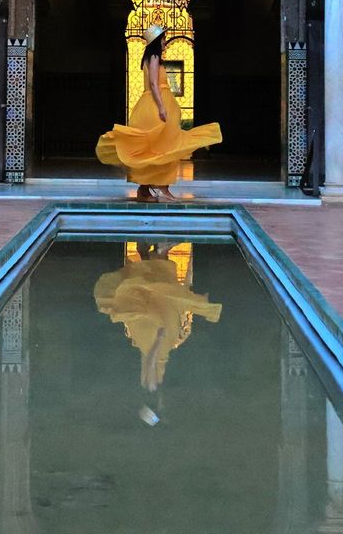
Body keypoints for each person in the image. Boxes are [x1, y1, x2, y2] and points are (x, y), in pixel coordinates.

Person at [95, 24, 221, 202]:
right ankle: (161, 187)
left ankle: (145, 190)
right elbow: (154, 84)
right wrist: (162, 107)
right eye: (162, 39)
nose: (165, 43)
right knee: (165, 147)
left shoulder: (150, 57)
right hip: (155, 106)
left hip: (152, 104)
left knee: (156, 148)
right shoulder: (154, 57)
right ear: (156, 41)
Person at [93, 241, 222, 415]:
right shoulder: (143, 385)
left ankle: (161, 251)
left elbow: (151, 362)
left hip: (156, 340)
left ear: (155, 404)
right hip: (143, 337)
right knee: (151, 294)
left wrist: (160, 338)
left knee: (163, 297)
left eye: (160, 406)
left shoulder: (153, 387)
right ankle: (147, 253)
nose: (163, 403)